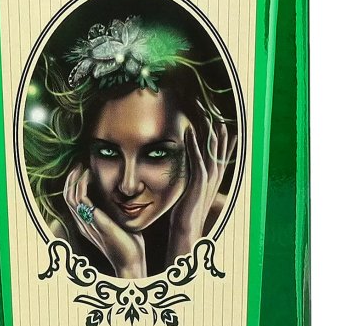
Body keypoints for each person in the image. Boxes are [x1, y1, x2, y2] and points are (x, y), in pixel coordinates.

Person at [24, 16, 237, 280]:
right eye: (108, 153)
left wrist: (185, 232)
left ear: (201, 146)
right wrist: (129, 266)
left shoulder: (233, 224)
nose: (128, 186)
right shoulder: (63, 241)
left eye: (157, 154)